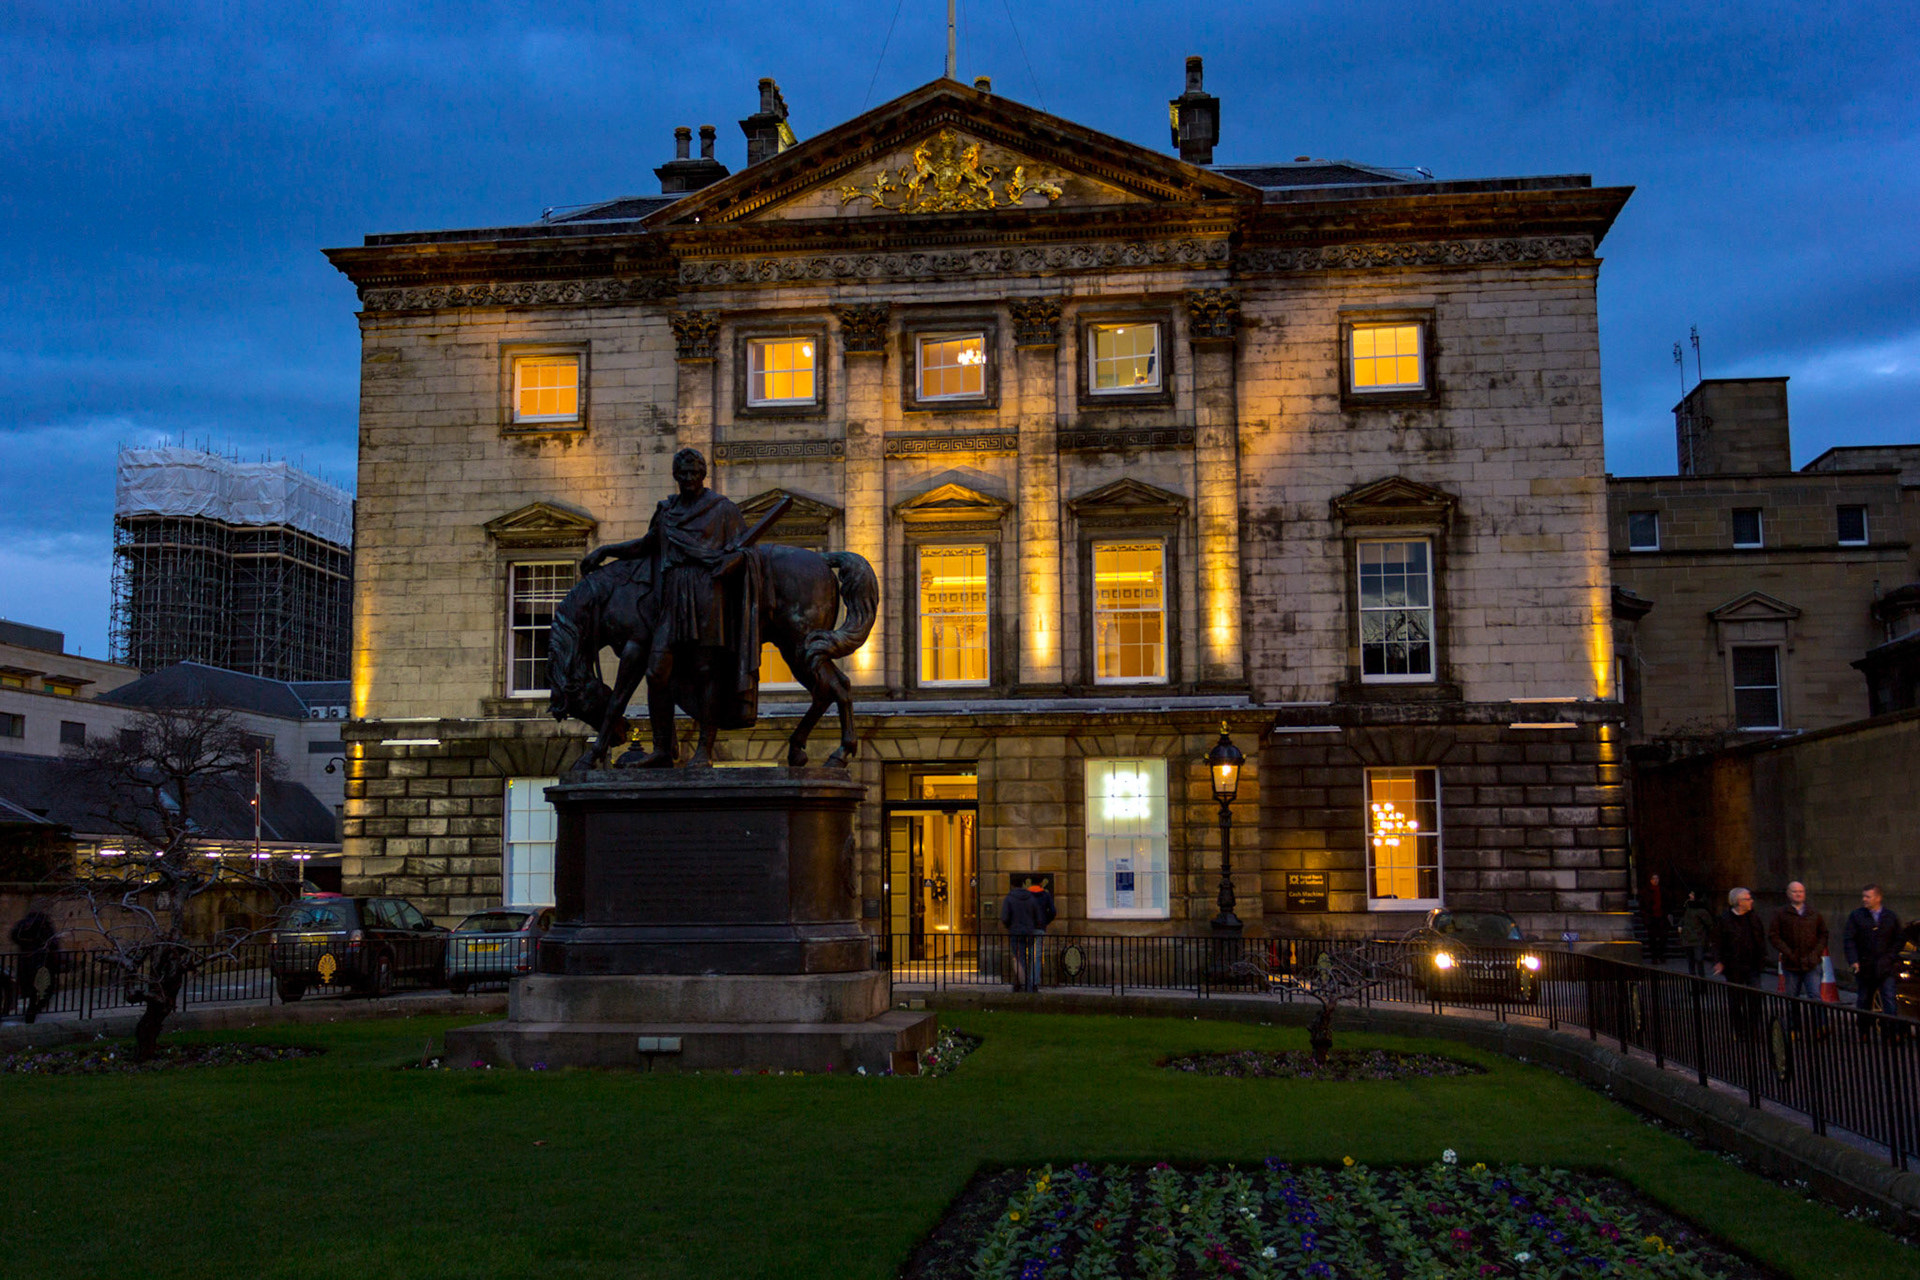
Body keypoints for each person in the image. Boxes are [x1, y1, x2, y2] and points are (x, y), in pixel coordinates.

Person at [581, 447, 760, 766]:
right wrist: (607, 550)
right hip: (673, 592)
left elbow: (747, 553)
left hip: (708, 592)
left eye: (695, 473)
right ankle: (663, 747)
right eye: (684, 474)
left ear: (703, 475)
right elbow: (646, 545)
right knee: (656, 671)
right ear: (676, 476)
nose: (689, 479)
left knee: (707, 671)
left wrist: (730, 564)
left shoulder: (723, 509)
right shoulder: (667, 510)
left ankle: (704, 749)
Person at [1768, 880, 1829, 1036]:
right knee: (1792, 997)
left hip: (1812, 961)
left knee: (1815, 996)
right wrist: (1788, 953)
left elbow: (1823, 934)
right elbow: (1774, 936)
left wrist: (1816, 952)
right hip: (1791, 963)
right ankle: (1794, 1028)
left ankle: (1820, 1027)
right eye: (1795, 891)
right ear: (1789, 894)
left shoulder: (1813, 913)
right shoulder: (1780, 913)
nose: (1798, 894)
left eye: (1801, 891)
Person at [1842, 884, 1903, 1027]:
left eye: (1868, 897)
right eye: (1863, 896)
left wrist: (1890, 956)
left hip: (1885, 967)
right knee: (1864, 1000)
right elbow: (1849, 939)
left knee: (1889, 999)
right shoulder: (1856, 916)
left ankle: (1890, 1032)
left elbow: (1899, 938)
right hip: (1865, 967)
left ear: (1878, 898)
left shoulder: (1890, 916)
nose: (1864, 899)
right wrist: (1854, 960)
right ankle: (1864, 1030)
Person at [1714, 887, 1769, 1038]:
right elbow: (1718, 941)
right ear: (1739, 901)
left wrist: (1762, 957)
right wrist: (1719, 961)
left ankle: (1754, 1029)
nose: (1751, 901)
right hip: (1734, 965)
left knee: (1755, 998)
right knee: (1736, 999)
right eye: (1748, 899)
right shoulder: (1725, 919)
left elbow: (1760, 938)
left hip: (1752, 964)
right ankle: (1739, 1030)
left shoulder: (1754, 918)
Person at [999, 876, 1056, 993]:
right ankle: (1032, 984)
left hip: (1016, 931)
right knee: (1034, 957)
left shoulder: (1010, 898)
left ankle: (1021, 983)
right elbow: (1045, 914)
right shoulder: (1034, 897)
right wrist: (1042, 923)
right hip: (1032, 930)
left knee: (1019, 958)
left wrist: (1009, 926)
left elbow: (1005, 917)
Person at [9, 910, 58, 1024]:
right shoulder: (43, 926)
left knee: (33, 991)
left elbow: (14, 936)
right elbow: (53, 944)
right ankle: (31, 1014)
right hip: (41, 964)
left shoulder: (23, 926)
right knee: (41, 992)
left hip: (27, 963)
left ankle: (30, 1013)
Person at [1678, 892, 1714, 976]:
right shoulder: (1689, 907)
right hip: (1690, 938)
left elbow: (1709, 924)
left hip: (1697, 939)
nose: (1690, 896)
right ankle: (1696, 984)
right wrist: (1680, 925)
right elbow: (1684, 918)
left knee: (1697, 961)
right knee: (1693, 962)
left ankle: (1700, 983)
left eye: (1692, 894)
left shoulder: (1700, 910)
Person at [1642, 872, 1669, 965]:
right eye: (1653, 878)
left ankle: (1661, 954)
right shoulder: (1646, 891)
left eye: (1656, 878)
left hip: (1661, 916)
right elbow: (1643, 904)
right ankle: (1654, 957)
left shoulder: (1663, 890)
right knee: (1652, 939)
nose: (1655, 880)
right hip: (1651, 917)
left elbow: (1668, 903)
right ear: (1650, 880)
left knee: (1663, 938)